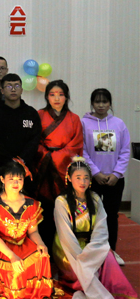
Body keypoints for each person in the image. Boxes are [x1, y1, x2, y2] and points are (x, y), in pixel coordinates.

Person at [52, 157, 137, 299]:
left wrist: (93, 251)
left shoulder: (95, 198)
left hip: (91, 245)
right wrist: (82, 257)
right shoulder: (62, 201)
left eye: (86, 178)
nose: (82, 182)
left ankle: (115, 289)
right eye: (78, 177)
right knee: (80, 271)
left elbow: (101, 229)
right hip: (68, 248)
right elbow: (65, 235)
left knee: (108, 256)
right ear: (69, 178)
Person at [0, 159, 61, 299]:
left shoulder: (31, 204)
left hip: (24, 243)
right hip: (2, 247)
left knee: (42, 255)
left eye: (19, 179)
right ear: (2, 179)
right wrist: (12, 256)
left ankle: (33, 292)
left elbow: (33, 231)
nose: (16, 183)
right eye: (11, 179)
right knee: (14, 270)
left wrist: (41, 243)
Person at [82, 88, 131, 263]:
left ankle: (111, 252)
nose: (101, 105)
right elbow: (83, 150)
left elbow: (125, 150)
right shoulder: (84, 123)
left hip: (114, 180)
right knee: (91, 216)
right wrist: (95, 173)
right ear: (92, 103)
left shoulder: (119, 124)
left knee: (111, 215)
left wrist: (116, 174)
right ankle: (91, 252)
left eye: (105, 101)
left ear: (110, 104)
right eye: (97, 101)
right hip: (92, 179)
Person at [0, 73, 41, 202]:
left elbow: (34, 140)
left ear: (22, 90)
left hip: (24, 168)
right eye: (9, 86)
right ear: (2, 90)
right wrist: (9, 161)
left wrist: (21, 161)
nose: (13, 89)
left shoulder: (31, 113)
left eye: (17, 86)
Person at [34, 80, 83, 248]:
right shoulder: (39, 115)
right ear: (47, 97)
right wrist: (46, 155)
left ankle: (64, 249)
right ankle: (44, 249)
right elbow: (34, 141)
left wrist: (54, 157)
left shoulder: (74, 119)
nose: (56, 98)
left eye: (61, 95)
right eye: (52, 94)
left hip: (63, 169)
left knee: (64, 211)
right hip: (42, 168)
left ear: (66, 97)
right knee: (44, 211)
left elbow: (76, 145)